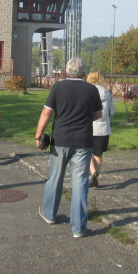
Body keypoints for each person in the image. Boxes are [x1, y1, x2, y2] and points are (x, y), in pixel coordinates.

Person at [35, 58, 102, 238]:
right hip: (83, 141)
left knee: (55, 178)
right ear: (83, 72)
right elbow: (98, 114)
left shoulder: (58, 87)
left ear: (66, 71)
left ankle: (50, 215)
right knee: (80, 183)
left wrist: (38, 135)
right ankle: (78, 228)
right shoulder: (91, 89)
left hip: (60, 140)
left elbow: (47, 113)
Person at [86, 70, 116, 188]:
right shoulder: (107, 93)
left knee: (87, 152)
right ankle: (96, 176)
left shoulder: (88, 92)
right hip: (104, 128)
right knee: (98, 154)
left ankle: (93, 173)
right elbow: (112, 112)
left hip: (89, 127)